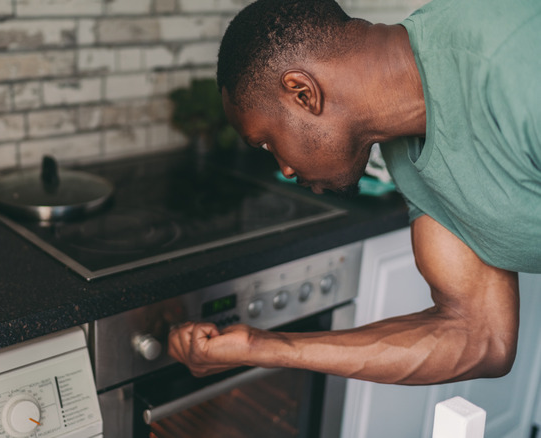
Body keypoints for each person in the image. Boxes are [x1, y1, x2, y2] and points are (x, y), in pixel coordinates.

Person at [168, 0, 541, 385]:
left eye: (267, 143)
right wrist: (260, 347)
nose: (286, 169)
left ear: (302, 93)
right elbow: (478, 337)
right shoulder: (405, 151)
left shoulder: (510, 59)